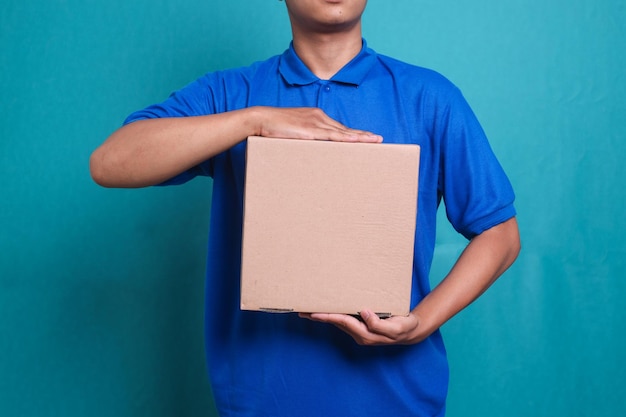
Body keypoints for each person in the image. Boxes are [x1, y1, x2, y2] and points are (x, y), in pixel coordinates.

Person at [90, 1, 521, 416]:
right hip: (260, 401)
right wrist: (254, 121)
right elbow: (110, 163)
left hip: (397, 399)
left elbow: (500, 234)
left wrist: (422, 322)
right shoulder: (232, 93)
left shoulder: (429, 98)